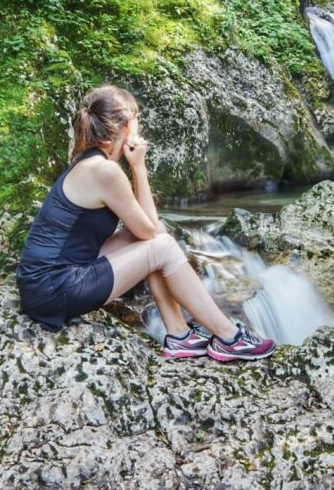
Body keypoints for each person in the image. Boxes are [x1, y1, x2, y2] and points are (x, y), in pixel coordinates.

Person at [15, 84, 276, 362]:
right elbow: (148, 230)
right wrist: (139, 167)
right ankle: (228, 336)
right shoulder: (105, 171)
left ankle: (179, 334)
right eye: (137, 118)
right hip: (54, 289)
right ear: (126, 126)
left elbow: (148, 227)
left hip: (48, 283)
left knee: (158, 237)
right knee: (161, 245)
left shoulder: (90, 162)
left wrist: (137, 168)